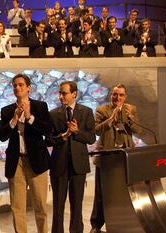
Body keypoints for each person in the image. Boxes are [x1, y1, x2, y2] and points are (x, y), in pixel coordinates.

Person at [0, 74, 52, 233]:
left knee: (40, 205)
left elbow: (47, 130)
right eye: (15, 85)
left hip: (37, 160)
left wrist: (29, 117)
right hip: (17, 162)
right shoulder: (7, 110)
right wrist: (14, 119)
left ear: (29, 88)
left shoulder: (40, 106)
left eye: (21, 85)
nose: (17, 88)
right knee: (17, 207)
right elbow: (2, 136)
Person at [89, 84, 141, 233]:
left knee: (124, 192)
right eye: (114, 94)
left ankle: (123, 223)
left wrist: (130, 117)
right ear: (110, 95)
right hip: (106, 156)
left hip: (125, 156)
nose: (117, 98)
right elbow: (96, 130)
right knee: (101, 193)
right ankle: (96, 225)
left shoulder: (131, 109)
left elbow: (138, 130)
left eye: (121, 95)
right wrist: (111, 119)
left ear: (126, 97)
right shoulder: (102, 110)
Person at [48, 81, 96, 233]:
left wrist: (76, 132)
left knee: (77, 205)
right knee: (58, 205)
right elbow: (48, 140)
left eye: (64, 93)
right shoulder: (53, 114)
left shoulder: (86, 112)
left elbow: (91, 138)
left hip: (78, 165)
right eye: (60, 93)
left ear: (74, 93)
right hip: (59, 165)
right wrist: (63, 136)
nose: (61, 96)